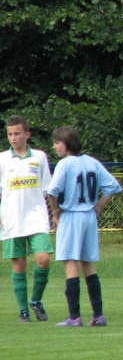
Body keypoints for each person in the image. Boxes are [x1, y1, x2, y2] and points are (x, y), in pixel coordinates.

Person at [47, 126, 122, 327]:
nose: (54, 147)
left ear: (67, 144)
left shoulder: (64, 164)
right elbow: (112, 187)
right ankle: (98, 315)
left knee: (70, 261)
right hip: (89, 216)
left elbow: (52, 191)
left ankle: (74, 317)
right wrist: (97, 207)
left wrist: (55, 212)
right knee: (88, 263)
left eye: (57, 143)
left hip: (71, 216)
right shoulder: (91, 162)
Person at [0, 116, 53, 322]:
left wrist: (55, 213)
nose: (13, 138)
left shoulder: (39, 157)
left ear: (27, 134)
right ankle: (23, 310)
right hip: (12, 219)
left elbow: (47, 188)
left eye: (17, 133)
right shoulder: (3, 158)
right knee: (19, 264)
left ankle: (36, 300)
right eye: (10, 134)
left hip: (36, 217)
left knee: (43, 259)